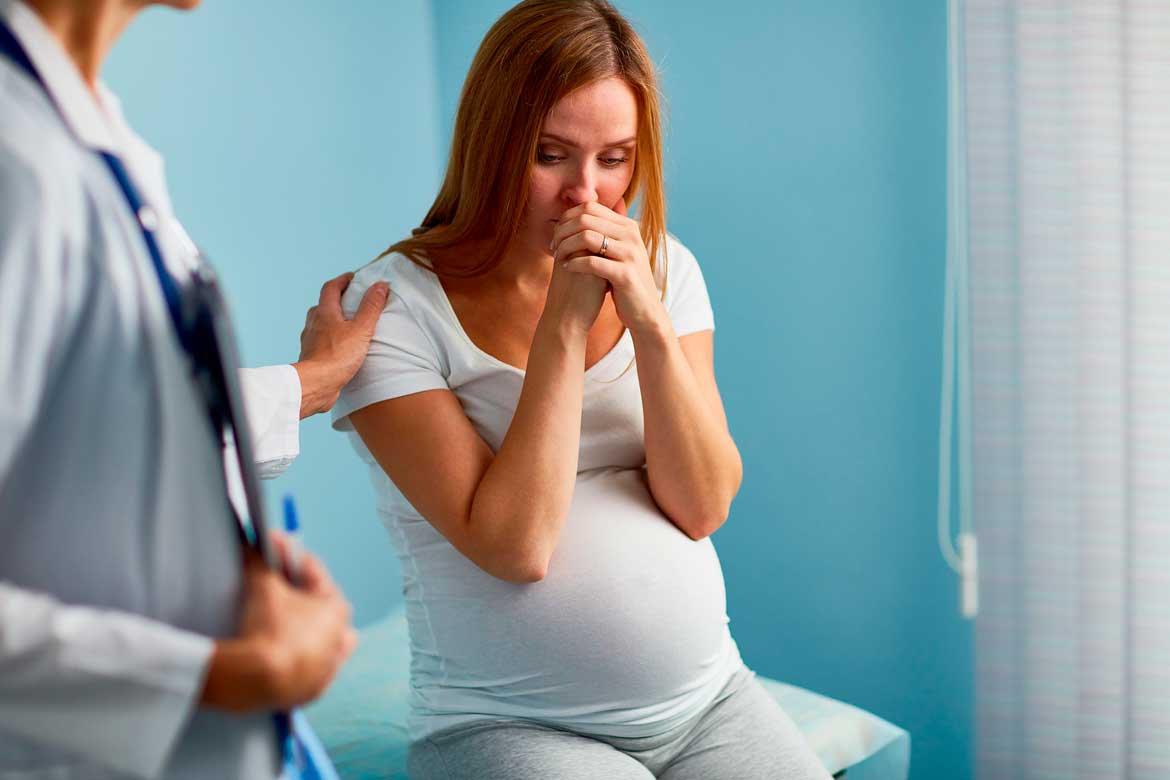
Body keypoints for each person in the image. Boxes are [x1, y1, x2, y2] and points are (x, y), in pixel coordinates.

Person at [331, 1, 834, 778]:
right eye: (551, 155)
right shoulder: (391, 309)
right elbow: (516, 546)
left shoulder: (668, 266)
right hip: (503, 725)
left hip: (709, 704)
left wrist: (650, 321)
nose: (588, 197)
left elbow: (703, 505)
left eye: (615, 158)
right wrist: (564, 327)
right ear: (490, 144)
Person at [0, 0, 388, 777]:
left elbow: (106, 421)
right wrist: (221, 673)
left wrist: (307, 388)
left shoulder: (86, 138)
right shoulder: (16, 164)